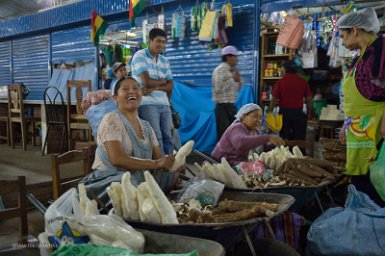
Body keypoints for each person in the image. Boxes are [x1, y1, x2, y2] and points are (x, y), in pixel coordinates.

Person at [81, 77, 180, 203]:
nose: (132, 92)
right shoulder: (111, 119)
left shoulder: (146, 126)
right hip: (109, 181)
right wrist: (156, 164)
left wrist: (172, 164)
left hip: (136, 180)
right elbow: (117, 159)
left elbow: (159, 159)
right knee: (127, 183)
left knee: (169, 176)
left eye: (135, 88)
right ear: (115, 98)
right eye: (126, 89)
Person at [337, 7, 385, 206]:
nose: (341, 41)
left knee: (376, 184)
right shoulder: (362, 54)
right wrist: (346, 124)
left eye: (342, 36)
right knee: (362, 183)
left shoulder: (381, 48)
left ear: (354, 30)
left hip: (376, 131)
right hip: (359, 131)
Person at [131, 28, 174, 155]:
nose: (161, 45)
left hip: (164, 104)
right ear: (150, 41)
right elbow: (146, 82)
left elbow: (171, 86)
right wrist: (162, 82)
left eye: (163, 42)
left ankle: (171, 170)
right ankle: (159, 169)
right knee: (156, 137)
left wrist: (154, 87)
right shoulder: (140, 55)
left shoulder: (164, 61)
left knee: (168, 137)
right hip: (147, 103)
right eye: (158, 41)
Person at [211, 103, 285, 166]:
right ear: (243, 117)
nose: (258, 121)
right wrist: (268, 138)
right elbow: (241, 143)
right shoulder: (236, 128)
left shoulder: (255, 132)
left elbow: (262, 148)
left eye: (260, 118)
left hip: (239, 165)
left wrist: (275, 144)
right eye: (255, 116)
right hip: (221, 164)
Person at [269, 60, 313, 140]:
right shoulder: (303, 82)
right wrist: (309, 113)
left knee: (285, 140)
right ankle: (299, 152)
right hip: (299, 114)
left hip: (284, 115)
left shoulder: (280, 82)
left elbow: (274, 99)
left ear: (284, 69)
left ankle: (285, 152)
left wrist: (270, 112)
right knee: (299, 140)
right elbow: (309, 99)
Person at [212, 45, 243, 141]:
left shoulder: (233, 70)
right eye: (235, 56)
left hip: (231, 107)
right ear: (228, 57)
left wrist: (238, 81)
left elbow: (238, 88)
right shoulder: (220, 70)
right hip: (222, 107)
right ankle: (220, 156)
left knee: (235, 133)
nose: (236, 59)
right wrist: (232, 80)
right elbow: (218, 89)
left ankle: (231, 156)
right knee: (224, 136)